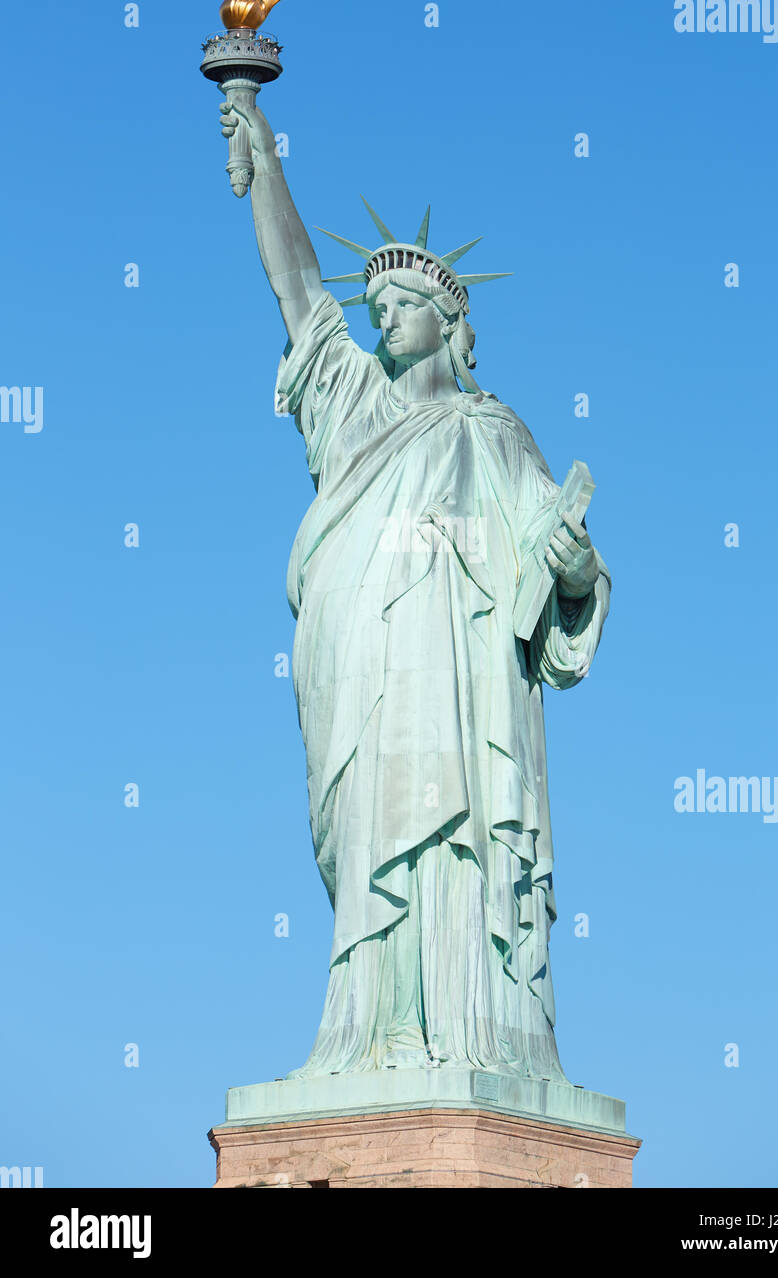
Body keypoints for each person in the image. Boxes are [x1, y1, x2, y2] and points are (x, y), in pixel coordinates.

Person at [220, 96, 611, 1079]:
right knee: (371, 845)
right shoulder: (349, 404)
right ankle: (371, 1034)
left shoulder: (494, 434)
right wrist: (261, 154)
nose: (379, 314)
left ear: (450, 322)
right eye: (375, 306)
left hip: (465, 690)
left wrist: (568, 571)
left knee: (455, 845)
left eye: (400, 304)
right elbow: (296, 287)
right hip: (363, 678)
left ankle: (475, 1037)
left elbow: (558, 569)